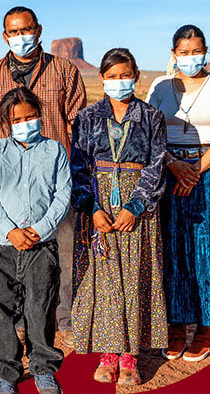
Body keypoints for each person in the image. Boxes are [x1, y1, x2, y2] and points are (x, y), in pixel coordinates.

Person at [0, 6, 86, 345]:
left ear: (38, 30)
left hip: (54, 182)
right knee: (11, 254)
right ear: (5, 36)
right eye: (14, 32)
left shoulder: (64, 70)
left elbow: (78, 125)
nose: (21, 36)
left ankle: (63, 316)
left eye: (27, 30)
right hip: (6, 185)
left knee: (62, 253)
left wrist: (78, 176)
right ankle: (20, 318)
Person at [70, 48, 167, 385]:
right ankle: (108, 353)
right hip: (99, 206)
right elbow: (78, 168)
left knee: (137, 274)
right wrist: (92, 208)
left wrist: (135, 206)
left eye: (125, 75)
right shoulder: (86, 118)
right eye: (111, 76)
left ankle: (130, 358)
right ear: (101, 79)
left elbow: (156, 166)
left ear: (136, 76)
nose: (118, 82)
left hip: (137, 208)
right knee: (107, 279)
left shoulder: (152, 117)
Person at [146, 25, 210, 362]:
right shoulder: (159, 86)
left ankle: (204, 328)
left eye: (197, 51)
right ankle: (174, 326)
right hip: (167, 172)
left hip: (207, 173)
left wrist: (194, 170)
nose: (191, 58)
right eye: (183, 52)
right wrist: (173, 164)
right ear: (173, 55)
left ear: (206, 51)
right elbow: (148, 130)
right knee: (170, 247)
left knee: (205, 247)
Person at [0, 87, 70, 394]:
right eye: (17, 118)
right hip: (2, 245)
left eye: (31, 116)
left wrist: (39, 230)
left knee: (41, 307)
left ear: (41, 117)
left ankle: (43, 368)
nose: (25, 122)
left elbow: (62, 195)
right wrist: (11, 231)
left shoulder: (55, 151)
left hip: (42, 246)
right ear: (6, 123)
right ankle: (5, 374)